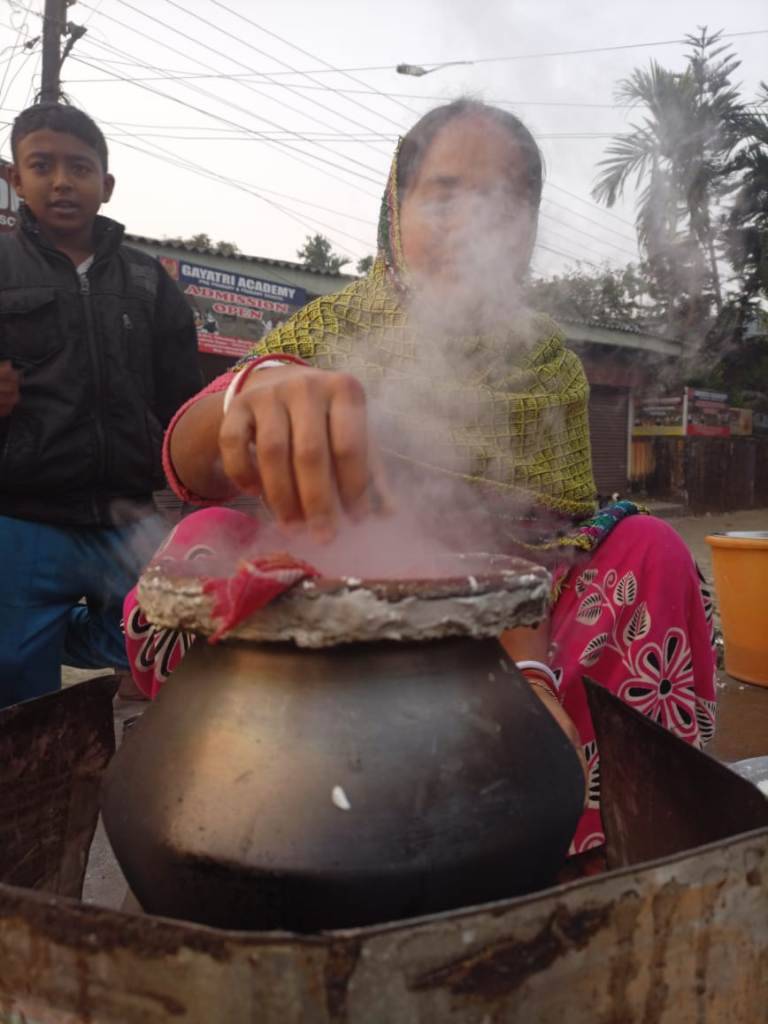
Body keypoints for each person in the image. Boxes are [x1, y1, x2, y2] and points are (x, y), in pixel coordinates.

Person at [124, 100, 716, 857]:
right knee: (204, 542)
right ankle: (254, 814)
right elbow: (188, 460)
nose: (473, 227)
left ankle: (604, 836)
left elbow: (542, 543)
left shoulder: (549, 369)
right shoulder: (329, 329)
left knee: (651, 550)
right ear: (393, 209)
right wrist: (256, 394)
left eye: (507, 202)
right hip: (336, 632)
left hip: (518, 623)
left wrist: (528, 670)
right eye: (443, 195)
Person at [0, 102, 203, 708]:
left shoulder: (149, 281)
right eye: (42, 165)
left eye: (80, 168)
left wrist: (197, 499)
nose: (62, 181)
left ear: (105, 185)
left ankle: (58, 641)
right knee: (18, 692)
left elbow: (185, 403)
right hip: (23, 515)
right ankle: (25, 799)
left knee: (164, 649)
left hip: (129, 519)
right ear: (16, 179)